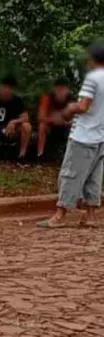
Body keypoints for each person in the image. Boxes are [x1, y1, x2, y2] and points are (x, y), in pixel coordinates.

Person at [38, 41, 104, 228]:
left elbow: (83, 106)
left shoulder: (93, 79)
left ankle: (60, 215)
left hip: (83, 135)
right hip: (101, 136)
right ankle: (90, 216)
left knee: (70, 174)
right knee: (94, 177)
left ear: (92, 59)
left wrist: (69, 109)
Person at [37, 78, 77, 159]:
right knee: (42, 126)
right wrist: (53, 120)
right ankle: (40, 154)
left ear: (68, 90)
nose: (60, 92)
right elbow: (40, 117)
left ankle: (70, 155)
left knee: (75, 127)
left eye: (63, 89)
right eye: (58, 89)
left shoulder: (72, 99)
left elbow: (76, 118)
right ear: (54, 89)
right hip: (51, 125)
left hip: (66, 125)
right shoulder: (47, 97)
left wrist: (64, 121)